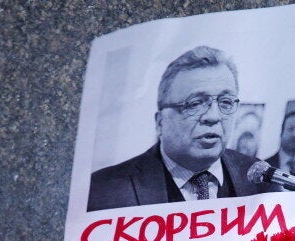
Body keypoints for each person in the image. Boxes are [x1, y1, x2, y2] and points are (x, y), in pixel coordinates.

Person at [88, 46, 276, 211]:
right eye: (195, 104)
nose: (213, 116)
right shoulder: (104, 190)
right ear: (160, 121)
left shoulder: (260, 178)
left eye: (225, 102)